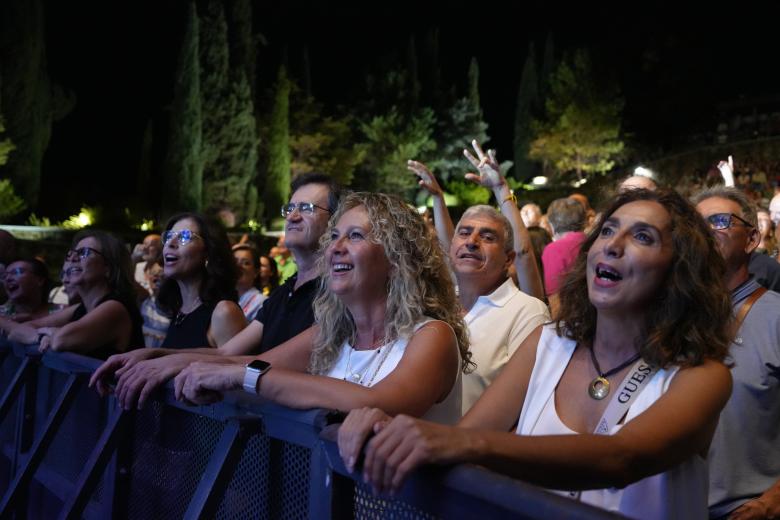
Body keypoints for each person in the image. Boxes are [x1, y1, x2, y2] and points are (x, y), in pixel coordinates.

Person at [337, 188, 733, 519]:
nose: (612, 244)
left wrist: (464, 444)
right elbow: (461, 438)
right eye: (608, 230)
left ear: (680, 270)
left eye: (643, 237)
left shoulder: (701, 376)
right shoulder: (547, 343)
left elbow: (620, 458)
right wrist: (382, 425)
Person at [173, 192, 471, 426]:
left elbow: (381, 402)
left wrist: (247, 377)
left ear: (397, 258)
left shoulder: (433, 335)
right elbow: (257, 362)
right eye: (333, 236)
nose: (334, 247)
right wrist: (159, 362)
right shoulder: (332, 334)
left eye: (354, 235)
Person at [90, 173, 340, 409]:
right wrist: (153, 353)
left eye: (306, 208)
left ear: (335, 223)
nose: (292, 216)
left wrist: (171, 362)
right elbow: (225, 352)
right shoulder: (284, 291)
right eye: (289, 208)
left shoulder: (339, 292)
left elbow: (267, 363)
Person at [408, 151, 549, 413]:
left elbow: (526, 406)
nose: (471, 242)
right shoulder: (435, 305)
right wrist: (438, 198)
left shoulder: (528, 313)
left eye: (487, 237)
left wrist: (502, 190)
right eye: (464, 233)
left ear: (508, 259)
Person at [692, 187, 780, 519]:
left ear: (752, 239)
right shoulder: (669, 316)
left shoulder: (775, 315)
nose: (706, 230)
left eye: (720, 220)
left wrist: (773, 501)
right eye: (696, 223)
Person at [6, 231, 144, 359]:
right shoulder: (81, 307)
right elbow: (16, 331)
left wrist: (52, 332)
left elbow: (61, 341)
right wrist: (41, 337)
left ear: (108, 268)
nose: (72, 258)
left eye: (84, 252)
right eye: (70, 254)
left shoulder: (116, 307)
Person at [543, 197, 587, 315]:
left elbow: (555, 297)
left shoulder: (554, 250)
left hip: (572, 319)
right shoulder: (594, 241)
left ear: (551, 225)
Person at [0, 257, 58, 322]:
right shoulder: (1, 315)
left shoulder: (62, 313)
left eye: (16, 272)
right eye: (4, 276)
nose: (8, 278)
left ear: (40, 280)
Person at [139, 259, 169, 348]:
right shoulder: (144, 299)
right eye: (153, 273)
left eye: (161, 273)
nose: (156, 276)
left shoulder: (176, 307)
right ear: (147, 276)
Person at [232, 244, 266, 322]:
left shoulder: (261, 302)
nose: (238, 265)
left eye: (246, 263)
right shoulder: (220, 298)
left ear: (256, 272)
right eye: (234, 261)